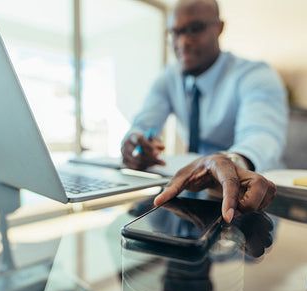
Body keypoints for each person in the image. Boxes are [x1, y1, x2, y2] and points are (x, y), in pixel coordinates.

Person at [121, 0, 287, 222]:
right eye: (175, 33)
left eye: (195, 29)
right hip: (188, 196)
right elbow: (146, 122)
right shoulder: (168, 78)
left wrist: (232, 161)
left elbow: (262, 134)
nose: (183, 42)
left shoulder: (255, 75)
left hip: (253, 198)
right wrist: (136, 141)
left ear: (219, 28)